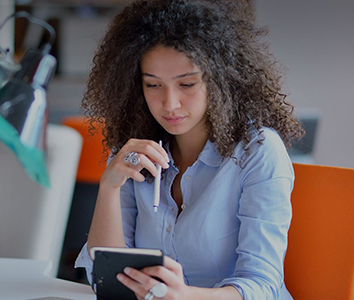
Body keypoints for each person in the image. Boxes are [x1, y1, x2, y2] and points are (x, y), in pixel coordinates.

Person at [74, 0, 304, 299]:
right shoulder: (135, 150)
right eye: (153, 85)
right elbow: (105, 276)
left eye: (187, 84)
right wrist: (109, 187)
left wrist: (184, 296)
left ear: (219, 80)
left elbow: (262, 286)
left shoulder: (257, 150)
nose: (169, 104)